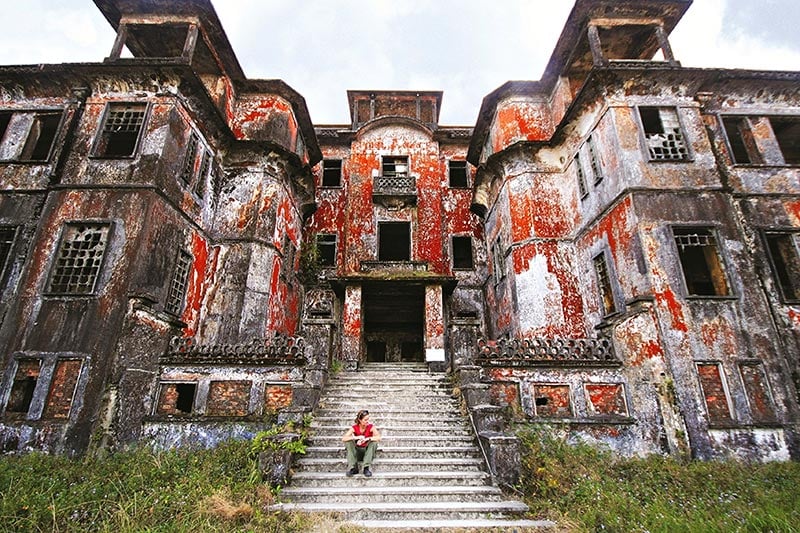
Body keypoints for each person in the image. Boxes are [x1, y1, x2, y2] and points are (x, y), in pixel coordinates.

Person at [342, 409, 381, 477]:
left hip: (367, 453)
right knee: (348, 442)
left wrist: (367, 439)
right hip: (357, 452)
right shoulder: (354, 427)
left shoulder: (371, 427)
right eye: (365, 420)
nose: (367, 421)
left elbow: (379, 437)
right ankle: (353, 467)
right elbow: (344, 438)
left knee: (374, 442)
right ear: (360, 420)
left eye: (368, 419)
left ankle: (366, 468)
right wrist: (356, 438)